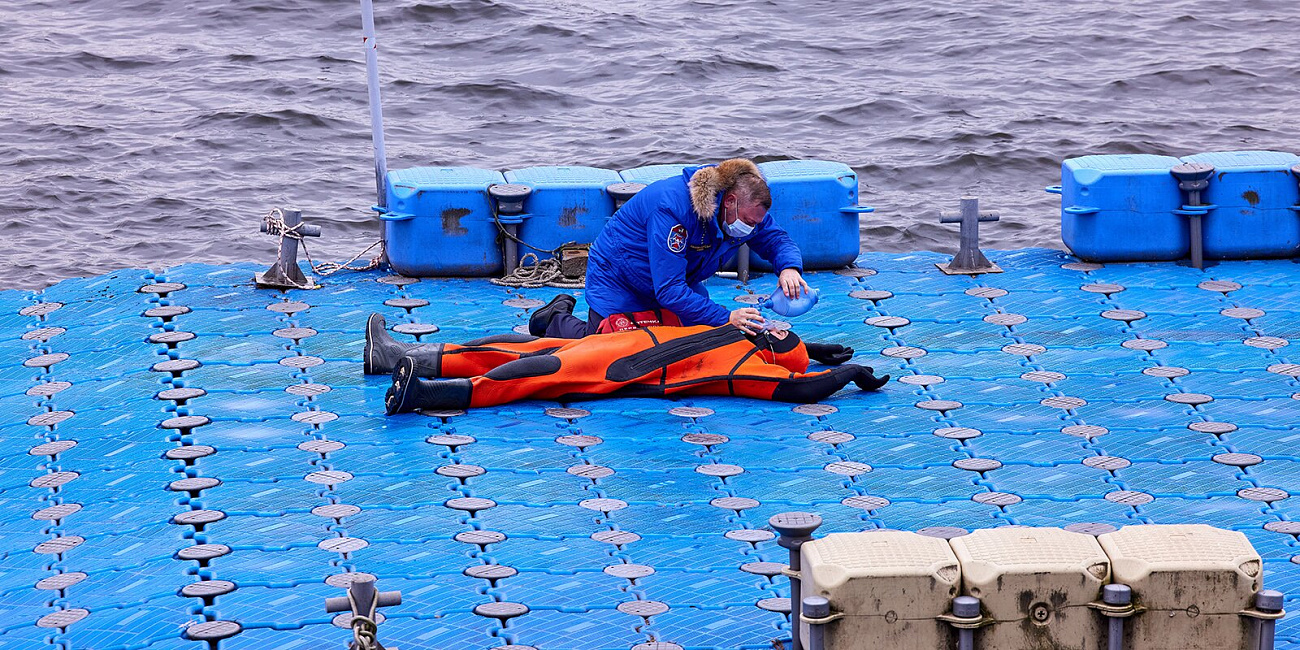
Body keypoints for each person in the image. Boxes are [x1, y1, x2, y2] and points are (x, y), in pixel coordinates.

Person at [363, 314, 888, 413]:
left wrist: (842, 376)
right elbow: (796, 352)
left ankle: (424, 395)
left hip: (626, 369)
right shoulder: (746, 335)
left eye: (775, 331)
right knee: (515, 345)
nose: (768, 324)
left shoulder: (758, 367)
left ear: (774, 348)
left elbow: (798, 389)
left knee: (529, 375)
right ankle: (393, 355)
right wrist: (816, 349)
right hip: (620, 343)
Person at [529, 158, 807, 338]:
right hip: (620, 276)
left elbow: (775, 239)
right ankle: (554, 318)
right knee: (604, 343)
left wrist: (789, 268)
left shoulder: (747, 211)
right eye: (747, 221)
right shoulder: (673, 209)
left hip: (676, 279)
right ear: (729, 201)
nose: (751, 227)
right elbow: (670, 291)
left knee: (696, 338)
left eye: (755, 223)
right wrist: (727, 316)